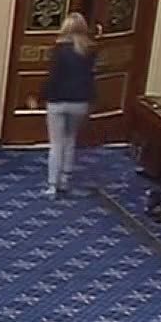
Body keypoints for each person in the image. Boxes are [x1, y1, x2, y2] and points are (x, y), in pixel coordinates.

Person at [42, 12, 96, 196]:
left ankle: (52, 185)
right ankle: (65, 179)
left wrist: (42, 95)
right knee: (70, 139)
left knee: (56, 144)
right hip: (80, 101)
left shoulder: (58, 50)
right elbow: (90, 78)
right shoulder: (89, 51)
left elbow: (54, 77)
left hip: (58, 100)